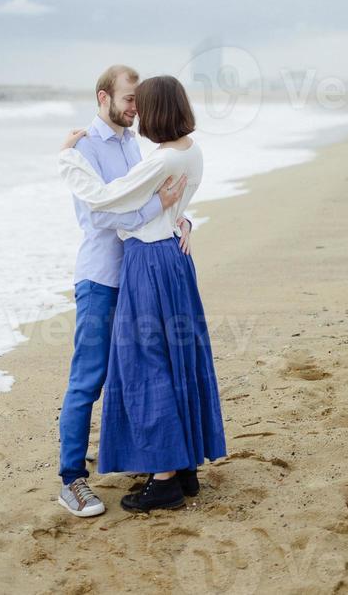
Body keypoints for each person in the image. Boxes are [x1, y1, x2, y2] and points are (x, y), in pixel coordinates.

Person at [58, 75, 227, 513]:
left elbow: (140, 203)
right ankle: (72, 478)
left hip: (145, 266)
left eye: (141, 102)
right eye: (129, 100)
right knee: (95, 377)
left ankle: (170, 469)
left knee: (151, 367)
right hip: (105, 275)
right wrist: (168, 214)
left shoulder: (142, 150)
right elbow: (106, 214)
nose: (136, 109)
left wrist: (179, 220)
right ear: (104, 98)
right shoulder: (91, 148)